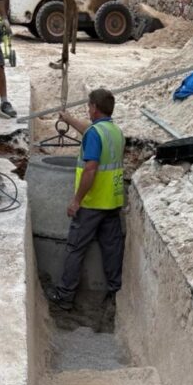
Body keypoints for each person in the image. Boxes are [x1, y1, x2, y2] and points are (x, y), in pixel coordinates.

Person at [48, 89, 126, 311]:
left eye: (89, 106)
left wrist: (76, 200)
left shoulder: (94, 134)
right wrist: (69, 119)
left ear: (93, 108)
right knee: (112, 249)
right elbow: (90, 131)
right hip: (112, 202)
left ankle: (65, 297)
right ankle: (114, 293)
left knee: (75, 249)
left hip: (92, 203)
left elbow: (90, 169)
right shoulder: (115, 131)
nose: (88, 109)